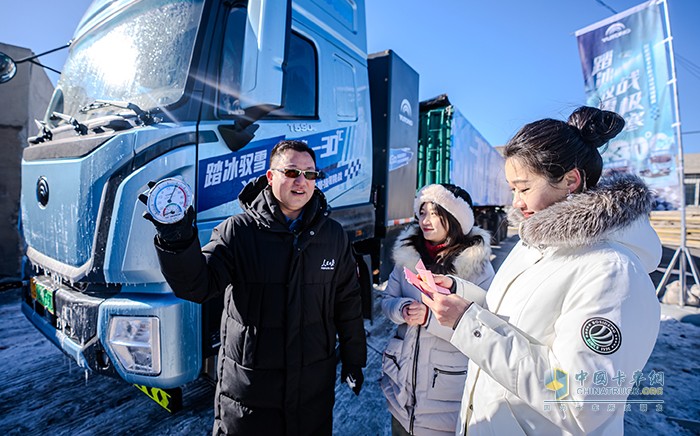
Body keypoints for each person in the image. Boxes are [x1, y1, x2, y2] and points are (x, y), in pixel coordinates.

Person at [422, 106, 662, 435]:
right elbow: (515, 319)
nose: (516, 202)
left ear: (570, 181)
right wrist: (459, 293)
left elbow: (579, 401)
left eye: (523, 188)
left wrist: (468, 325)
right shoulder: (533, 243)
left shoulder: (612, 272)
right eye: (512, 190)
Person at [144, 140, 367, 435]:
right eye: (291, 172)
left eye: (310, 174)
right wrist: (177, 240)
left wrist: (354, 358)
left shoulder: (334, 236)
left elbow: (347, 302)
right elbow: (198, 287)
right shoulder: (238, 231)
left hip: (311, 393)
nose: (302, 181)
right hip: (250, 397)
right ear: (270, 177)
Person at [381, 183, 495, 436]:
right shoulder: (408, 259)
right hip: (401, 391)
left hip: (445, 395)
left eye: (435, 212)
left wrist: (429, 318)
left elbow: (487, 326)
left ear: (455, 218)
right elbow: (387, 302)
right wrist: (402, 308)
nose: (425, 220)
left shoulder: (478, 268)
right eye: (422, 212)